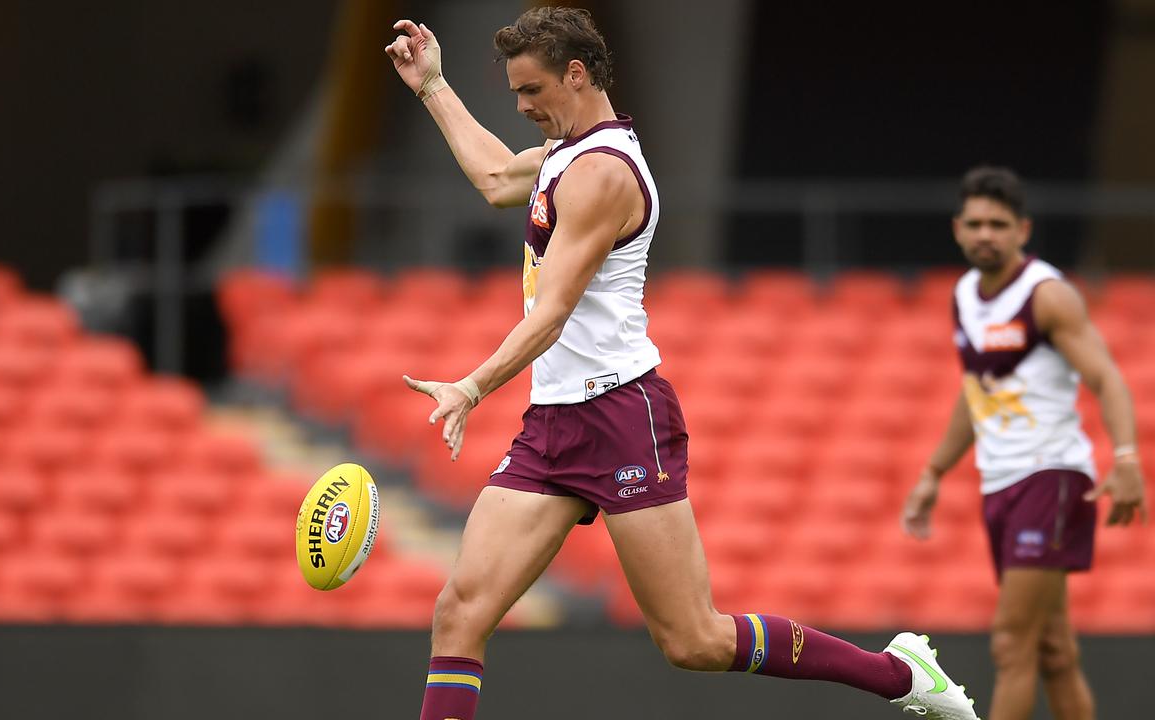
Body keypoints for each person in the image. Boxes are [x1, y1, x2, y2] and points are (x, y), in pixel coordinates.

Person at [387, 8, 978, 720]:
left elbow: (551, 315)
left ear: (577, 75)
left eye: (532, 89)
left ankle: (897, 673)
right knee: (459, 613)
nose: (521, 105)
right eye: (516, 92)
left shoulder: (602, 174)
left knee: (693, 639)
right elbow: (490, 177)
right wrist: (432, 87)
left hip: (619, 416)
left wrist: (473, 385)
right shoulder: (565, 156)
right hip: (552, 424)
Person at [901, 166, 1148, 720]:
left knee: (1011, 644)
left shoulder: (1048, 296)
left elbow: (1107, 377)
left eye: (998, 223)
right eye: (976, 223)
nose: (985, 233)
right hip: (1000, 481)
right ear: (957, 228)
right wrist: (933, 472)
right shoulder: (965, 295)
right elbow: (977, 389)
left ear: (1023, 230)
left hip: (1052, 476)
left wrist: (1127, 458)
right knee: (1054, 650)